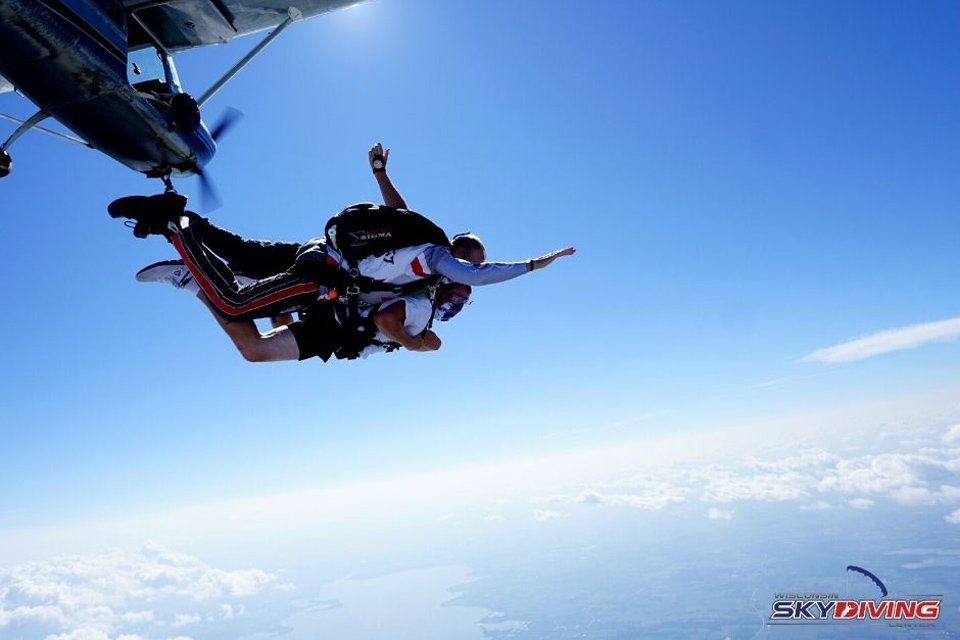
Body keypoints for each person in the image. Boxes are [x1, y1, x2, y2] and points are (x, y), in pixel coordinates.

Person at [109, 143, 575, 322]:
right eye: (471, 258)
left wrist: (378, 172)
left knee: (245, 255)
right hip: (323, 273)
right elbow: (479, 276)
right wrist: (536, 264)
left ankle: (179, 218)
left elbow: (397, 209)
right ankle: (176, 235)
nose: (468, 269)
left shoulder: (422, 238)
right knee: (234, 306)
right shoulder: (436, 264)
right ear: (462, 255)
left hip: (319, 248)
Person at [137, 258, 470, 363]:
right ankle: (193, 280)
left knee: (280, 317)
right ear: (440, 287)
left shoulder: (422, 307)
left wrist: (420, 341)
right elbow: (386, 320)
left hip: (336, 320)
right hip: (335, 328)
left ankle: (248, 281)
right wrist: (412, 342)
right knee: (254, 349)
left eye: (461, 302)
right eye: (454, 296)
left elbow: (433, 342)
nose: (454, 305)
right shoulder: (421, 303)